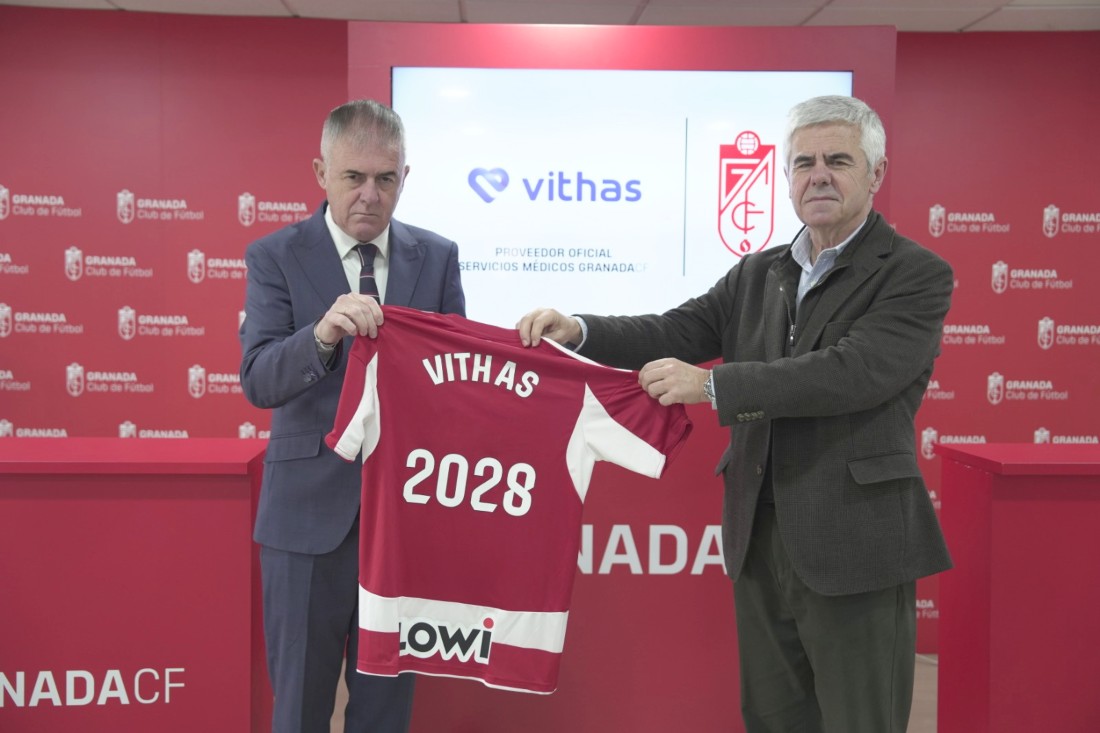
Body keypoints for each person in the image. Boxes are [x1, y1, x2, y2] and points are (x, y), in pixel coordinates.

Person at [517, 95, 952, 733]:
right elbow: (675, 329)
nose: (818, 176)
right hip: (759, 536)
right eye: (803, 163)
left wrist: (714, 387)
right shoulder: (758, 272)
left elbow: (851, 373)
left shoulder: (915, 274)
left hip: (856, 541)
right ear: (786, 177)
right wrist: (579, 329)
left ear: (876, 174)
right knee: (773, 719)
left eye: (838, 161)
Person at [240, 99, 465, 733]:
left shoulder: (438, 258)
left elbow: (456, 382)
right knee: (300, 709)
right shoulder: (275, 256)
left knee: (386, 712)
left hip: (405, 521)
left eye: (385, 178)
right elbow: (259, 379)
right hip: (306, 522)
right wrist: (322, 335)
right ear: (321, 172)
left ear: (404, 177)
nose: (370, 194)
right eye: (353, 177)